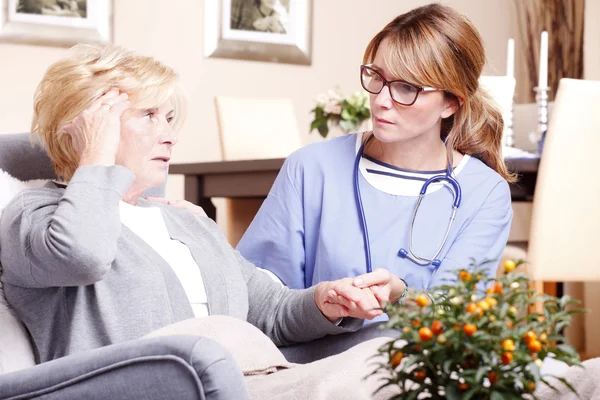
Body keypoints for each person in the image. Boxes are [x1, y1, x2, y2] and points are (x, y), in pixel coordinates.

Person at [0, 43, 405, 367]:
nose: (169, 135)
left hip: (252, 379)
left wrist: (325, 302)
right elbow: (82, 256)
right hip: (158, 388)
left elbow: (270, 309)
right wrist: (95, 158)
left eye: (170, 117)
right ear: (89, 127)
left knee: (388, 350)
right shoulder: (34, 214)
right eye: (149, 115)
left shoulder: (183, 218)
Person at [237, 4, 514, 299]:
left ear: (451, 103)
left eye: (407, 87)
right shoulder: (310, 168)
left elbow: (456, 317)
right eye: (377, 76)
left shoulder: (485, 192)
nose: (381, 99)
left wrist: (402, 297)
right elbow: (257, 292)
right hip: (316, 345)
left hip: (419, 347)